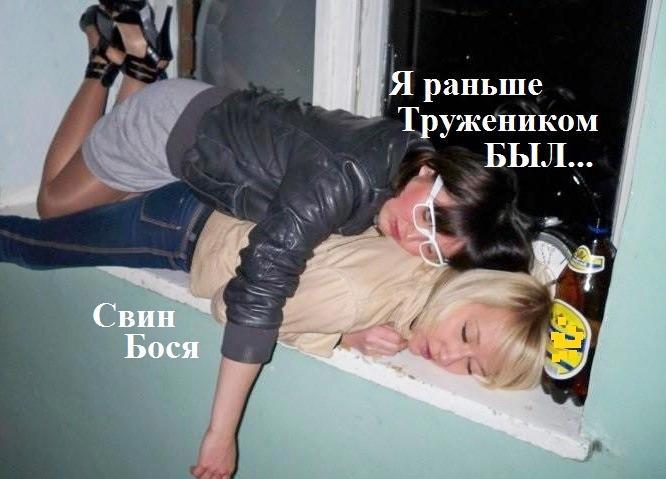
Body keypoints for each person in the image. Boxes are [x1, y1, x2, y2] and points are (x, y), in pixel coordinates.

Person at [33, 3, 537, 476]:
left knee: (107, 188)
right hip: (172, 131)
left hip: (208, 135)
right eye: (426, 216)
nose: (411, 234)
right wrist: (220, 434)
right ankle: (102, 65)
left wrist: (350, 335)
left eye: (429, 248)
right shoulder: (345, 178)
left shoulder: (403, 159)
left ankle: (140, 65)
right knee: (53, 205)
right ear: (430, 171)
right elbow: (258, 291)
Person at [0, 181, 550, 477]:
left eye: (473, 367)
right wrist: (337, 335)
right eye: (468, 335)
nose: (450, 358)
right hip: (180, 229)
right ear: (472, 288)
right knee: (35, 245)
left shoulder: (429, 264)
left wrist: (349, 335)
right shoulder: (360, 298)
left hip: (217, 201)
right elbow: (232, 304)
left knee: (65, 202)